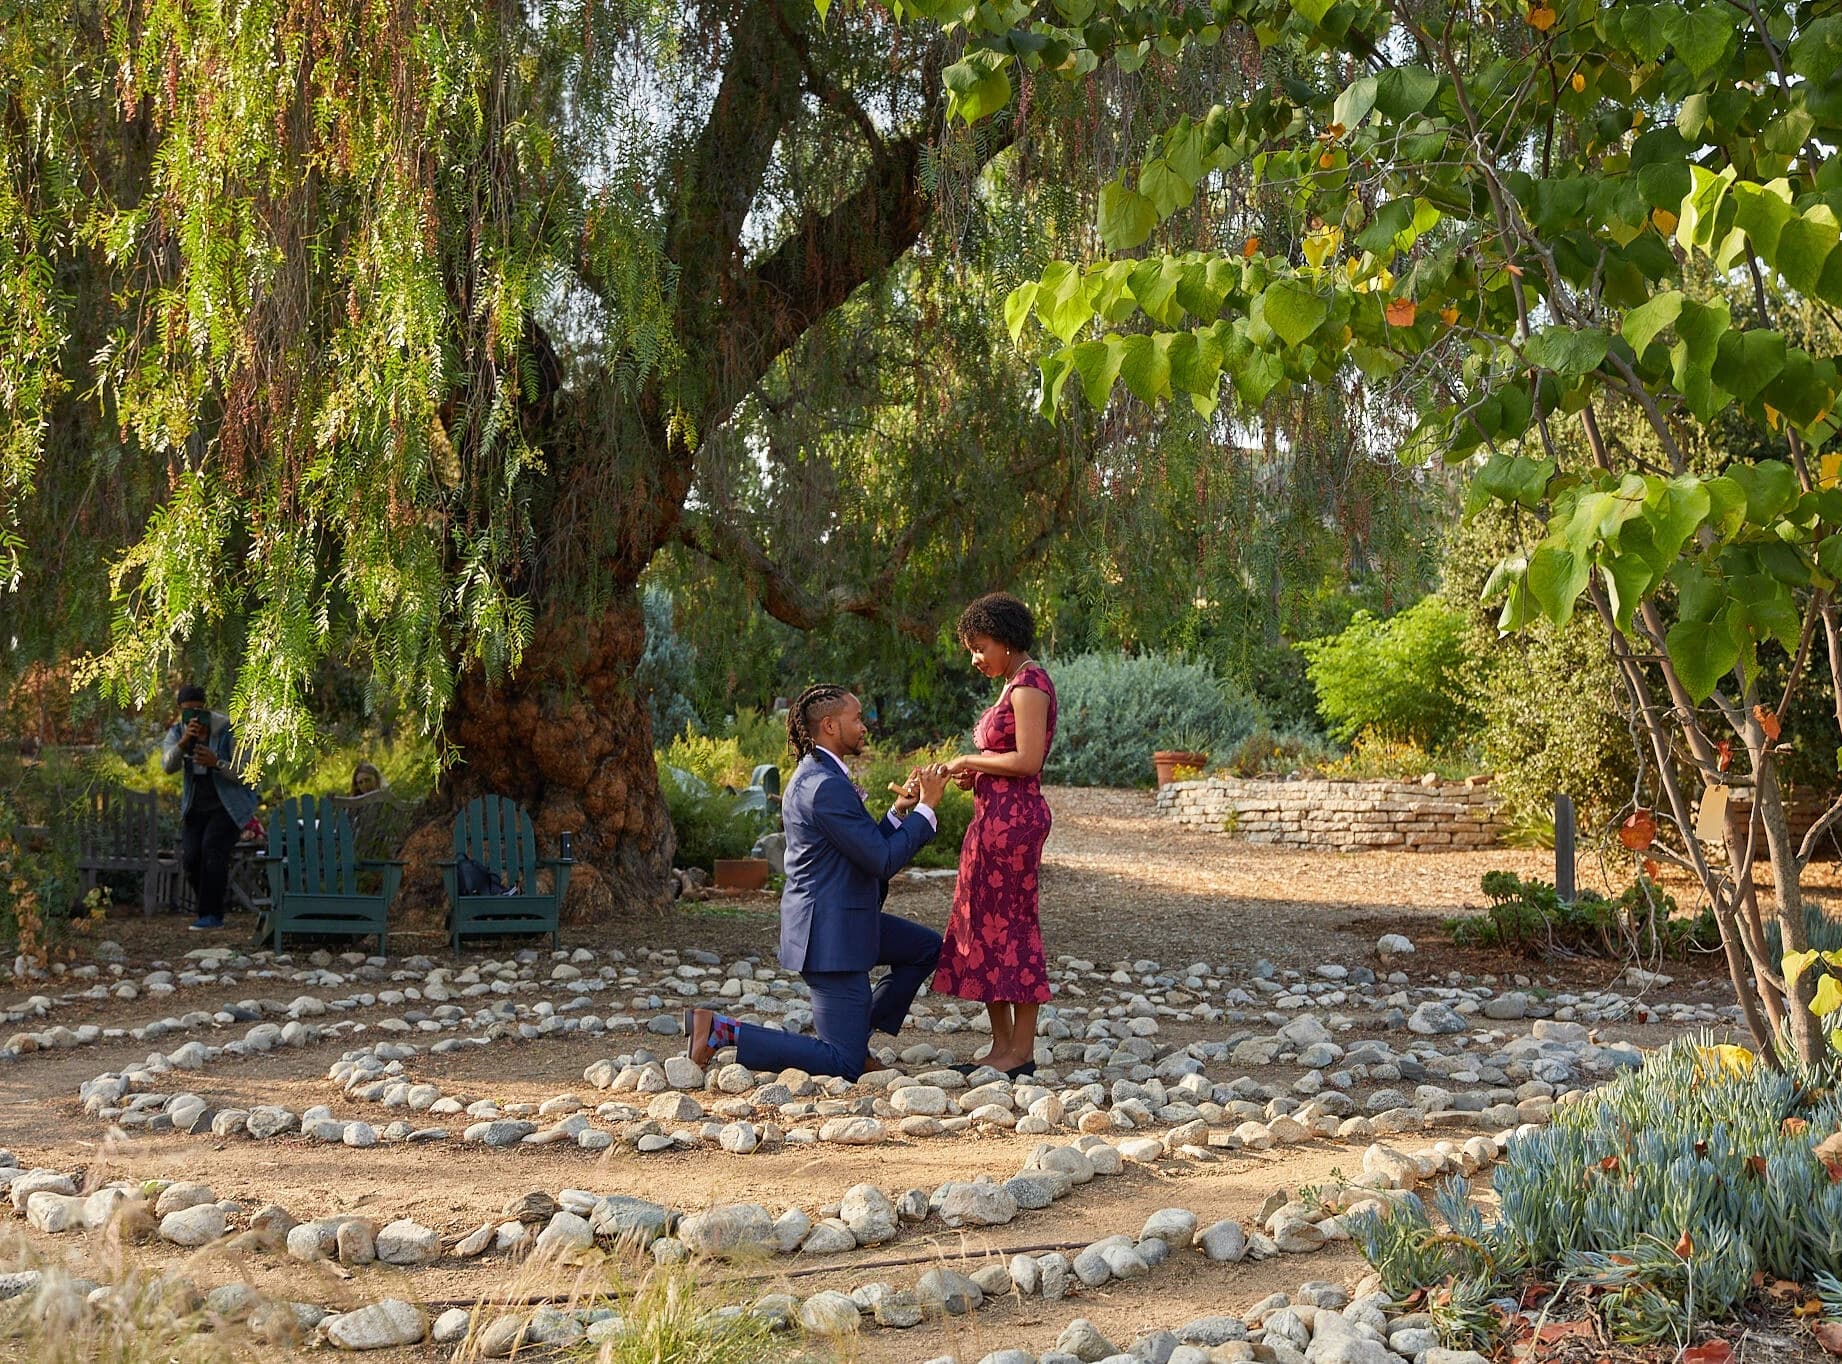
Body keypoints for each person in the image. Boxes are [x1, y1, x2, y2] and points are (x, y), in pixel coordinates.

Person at [685, 684, 947, 1082]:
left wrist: (899, 813)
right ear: (829, 725)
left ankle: (856, 1034)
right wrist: (927, 810)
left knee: (925, 948)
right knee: (842, 1064)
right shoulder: (825, 786)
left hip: (846, 920)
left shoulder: (820, 776)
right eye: (856, 719)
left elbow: (862, 845)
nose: (864, 726)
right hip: (830, 937)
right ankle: (724, 1031)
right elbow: (881, 860)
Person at [933, 593, 1057, 1078]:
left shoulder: (1029, 685)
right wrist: (977, 778)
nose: (975, 658)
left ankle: (1021, 1051)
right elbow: (1006, 763)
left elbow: (1028, 761)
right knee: (985, 926)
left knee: (1014, 929)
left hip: (1015, 824)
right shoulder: (1011, 685)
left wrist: (967, 760)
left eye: (980, 647)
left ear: (1006, 641)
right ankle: (1001, 1045)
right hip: (992, 819)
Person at [161, 683, 259, 931]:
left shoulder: (228, 730)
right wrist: (184, 743)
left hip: (229, 807)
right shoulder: (177, 732)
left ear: (206, 708)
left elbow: (248, 773)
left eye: (198, 710)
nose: (194, 716)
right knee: (192, 857)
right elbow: (167, 765)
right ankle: (209, 908)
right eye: (187, 711)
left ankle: (211, 915)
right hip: (196, 807)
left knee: (213, 849)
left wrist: (218, 763)